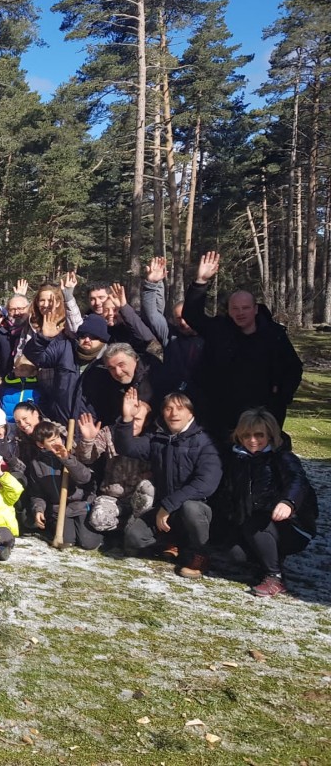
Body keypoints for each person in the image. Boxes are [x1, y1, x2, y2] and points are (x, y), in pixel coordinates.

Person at [183, 251, 303, 440]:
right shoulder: (219, 330)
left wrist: (282, 396)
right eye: (235, 309)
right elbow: (192, 316)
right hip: (220, 413)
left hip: (262, 413)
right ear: (229, 311)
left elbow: (294, 368)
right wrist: (200, 282)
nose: (240, 313)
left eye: (245, 308)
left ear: (255, 309)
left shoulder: (274, 335)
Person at [114, 389, 221, 579]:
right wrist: (127, 419)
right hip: (167, 511)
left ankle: (200, 555)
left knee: (191, 509)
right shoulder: (159, 438)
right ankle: (172, 545)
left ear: (191, 412)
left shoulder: (205, 442)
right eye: (169, 409)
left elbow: (206, 483)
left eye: (180, 408)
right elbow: (127, 447)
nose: (174, 414)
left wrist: (168, 505)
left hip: (197, 509)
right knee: (134, 537)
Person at [226, 409, 318, 598]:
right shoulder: (238, 460)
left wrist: (288, 502)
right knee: (235, 553)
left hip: (292, 524)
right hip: (254, 523)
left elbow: (297, 480)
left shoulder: (281, 457)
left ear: (270, 435)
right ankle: (267, 561)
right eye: (247, 435)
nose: (253, 440)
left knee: (256, 524)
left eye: (259, 435)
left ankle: (274, 576)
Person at [75, 410, 154, 534]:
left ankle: (135, 528)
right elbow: (87, 458)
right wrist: (88, 441)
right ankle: (123, 529)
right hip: (112, 496)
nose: (132, 423)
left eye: (137, 420)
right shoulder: (110, 432)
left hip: (139, 497)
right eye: (130, 418)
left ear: (147, 421)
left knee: (148, 489)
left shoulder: (153, 439)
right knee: (98, 520)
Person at [25, 421, 101, 550]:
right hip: (59, 510)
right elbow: (37, 493)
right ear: (41, 445)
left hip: (80, 505)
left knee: (88, 543)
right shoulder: (36, 464)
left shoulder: (72, 452)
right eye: (51, 441)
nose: (58, 443)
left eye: (58, 438)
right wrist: (39, 509)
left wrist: (67, 459)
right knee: (67, 540)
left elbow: (85, 478)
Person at [139, 257, 203, 393]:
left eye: (187, 318)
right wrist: (151, 284)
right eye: (179, 318)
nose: (184, 323)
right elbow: (152, 314)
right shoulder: (169, 334)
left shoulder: (208, 333)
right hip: (174, 397)